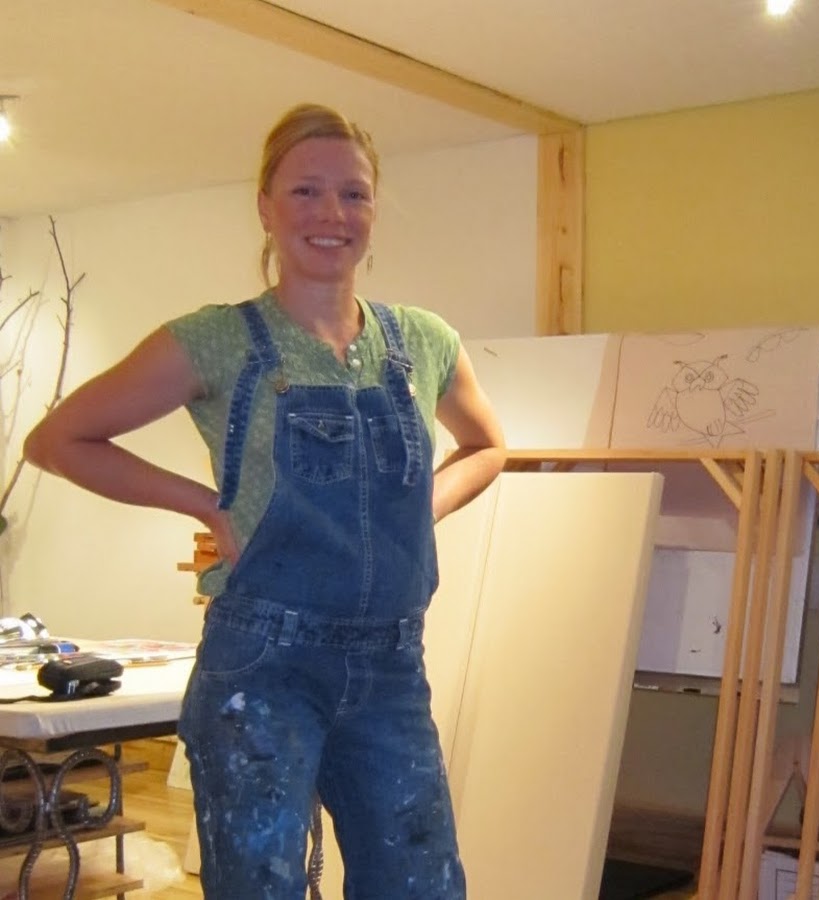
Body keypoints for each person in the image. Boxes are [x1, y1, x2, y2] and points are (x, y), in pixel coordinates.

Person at [24, 102, 506, 899]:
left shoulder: (422, 342)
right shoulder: (218, 340)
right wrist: (203, 504)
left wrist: (422, 506)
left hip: (391, 666)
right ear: (265, 207)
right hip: (263, 667)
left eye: (353, 194)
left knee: (420, 884)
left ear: (374, 210)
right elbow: (57, 440)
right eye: (305, 191)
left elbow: (488, 446)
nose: (331, 213)